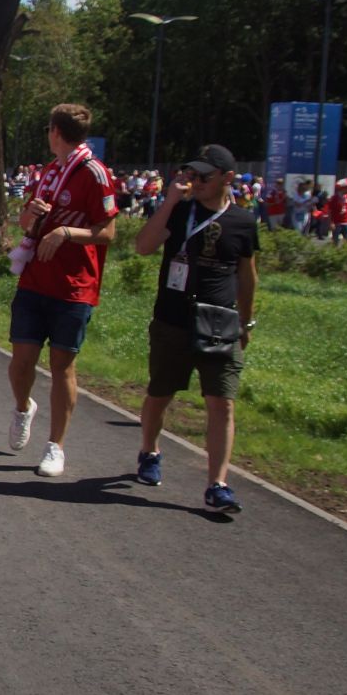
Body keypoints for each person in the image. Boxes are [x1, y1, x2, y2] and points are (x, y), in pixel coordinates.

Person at [131, 144, 256, 512]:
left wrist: (246, 321)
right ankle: (150, 450)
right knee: (160, 394)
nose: (196, 182)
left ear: (227, 179)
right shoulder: (179, 211)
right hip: (173, 320)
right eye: (192, 175)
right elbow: (143, 246)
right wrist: (169, 202)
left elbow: (248, 276)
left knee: (222, 403)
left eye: (205, 176)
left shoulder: (243, 222)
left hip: (220, 324)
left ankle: (218, 483)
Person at [6, 104, 116, 478]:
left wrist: (67, 232)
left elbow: (108, 231)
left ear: (55, 131)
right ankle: (23, 407)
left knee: (62, 366)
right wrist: (31, 216)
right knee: (20, 363)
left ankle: (56, 446)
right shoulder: (48, 172)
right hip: (35, 279)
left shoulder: (94, 174)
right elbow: (24, 222)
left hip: (74, 287)